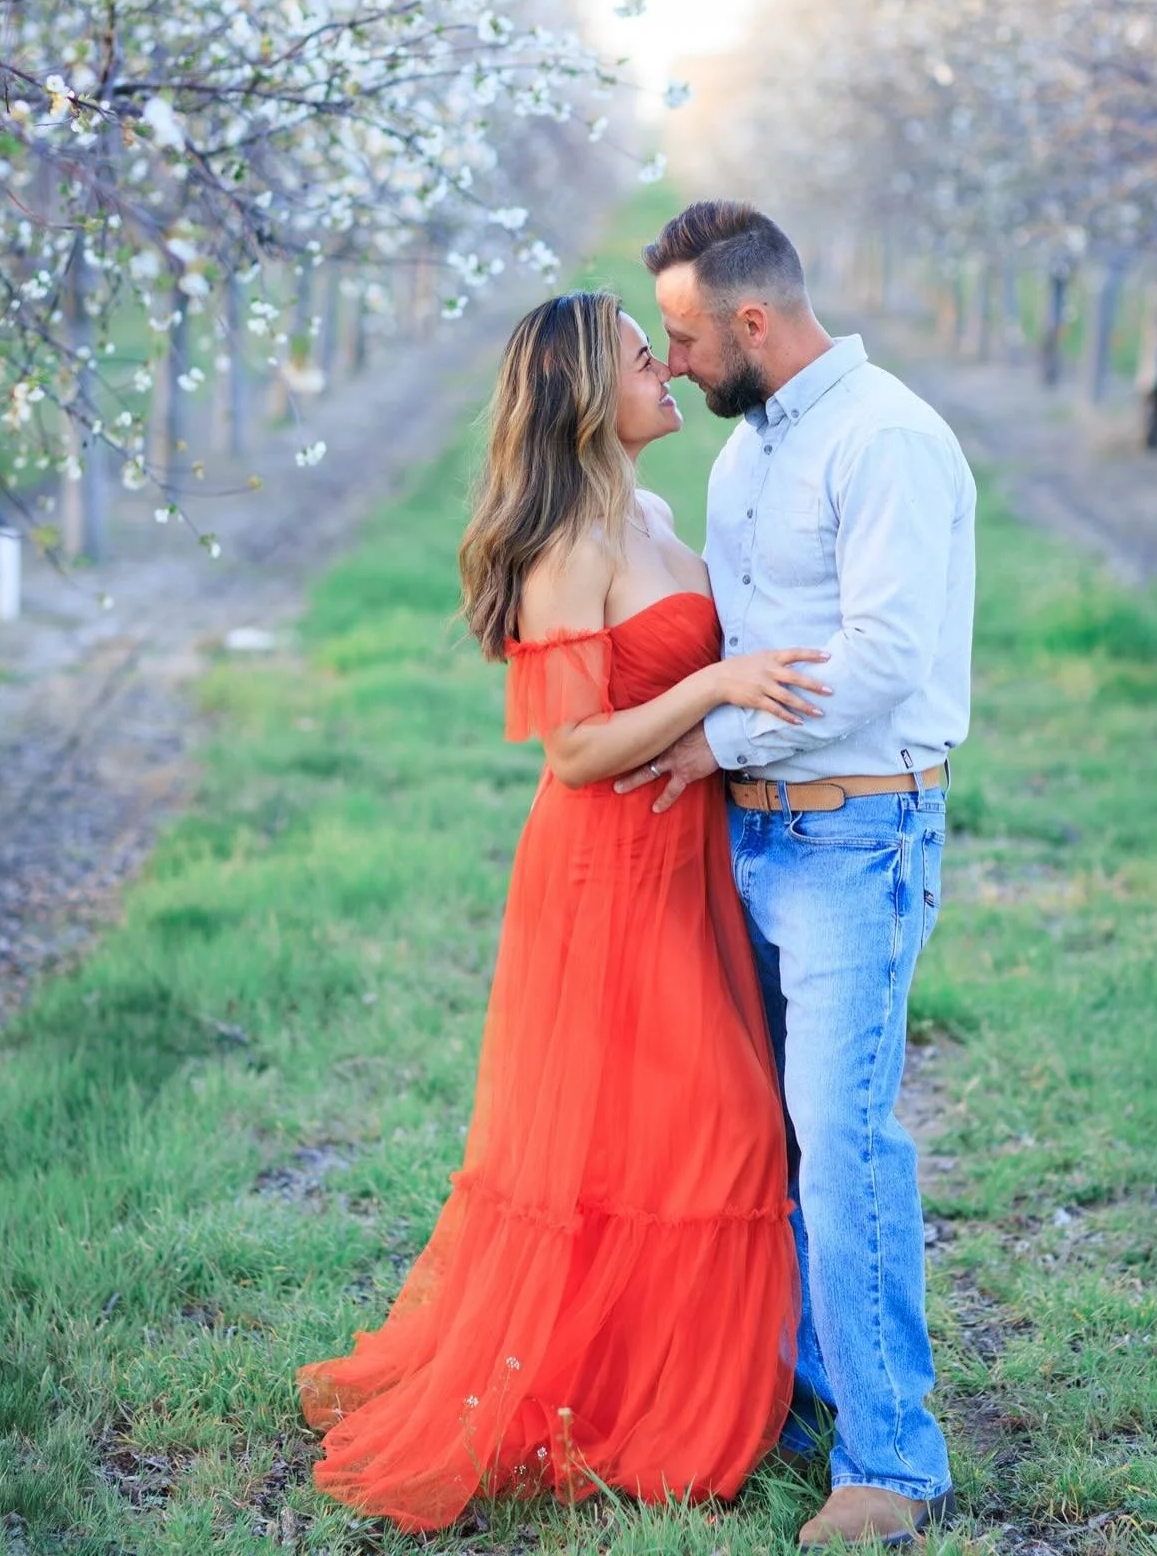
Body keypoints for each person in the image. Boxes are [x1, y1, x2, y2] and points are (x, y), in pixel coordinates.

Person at [297, 290, 831, 1531]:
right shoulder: (569, 548)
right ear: (593, 396)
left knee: (685, 1129)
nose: (672, 372)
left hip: (686, 853)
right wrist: (715, 680)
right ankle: (636, 1410)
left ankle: (651, 1387)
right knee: (699, 1130)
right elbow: (578, 751)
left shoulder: (646, 508)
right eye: (649, 360)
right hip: (607, 877)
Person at [618, 201, 976, 1550]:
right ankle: (816, 1397)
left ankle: (893, 1463)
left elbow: (878, 661)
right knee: (757, 1139)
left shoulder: (882, 440)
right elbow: (735, 631)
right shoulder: (745, 456)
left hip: (849, 839)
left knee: (842, 1143)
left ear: (753, 323)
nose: (680, 361)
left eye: (689, 336)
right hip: (749, 840)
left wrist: (712, 741)